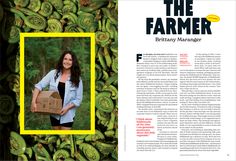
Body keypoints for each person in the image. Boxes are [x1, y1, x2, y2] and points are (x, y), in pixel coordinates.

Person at [31, 51, 83, 130]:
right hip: (53, 112)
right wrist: (33, 102)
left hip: (68, 115)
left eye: (70, 60)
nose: (67, 61)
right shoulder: (53, 73)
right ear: (62, 60)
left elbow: (78, 99)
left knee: (64, 138)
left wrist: (67, 108)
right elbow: (39, 86)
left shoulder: (77, 78)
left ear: (73, 62)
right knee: (56, 136)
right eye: (65, 59)